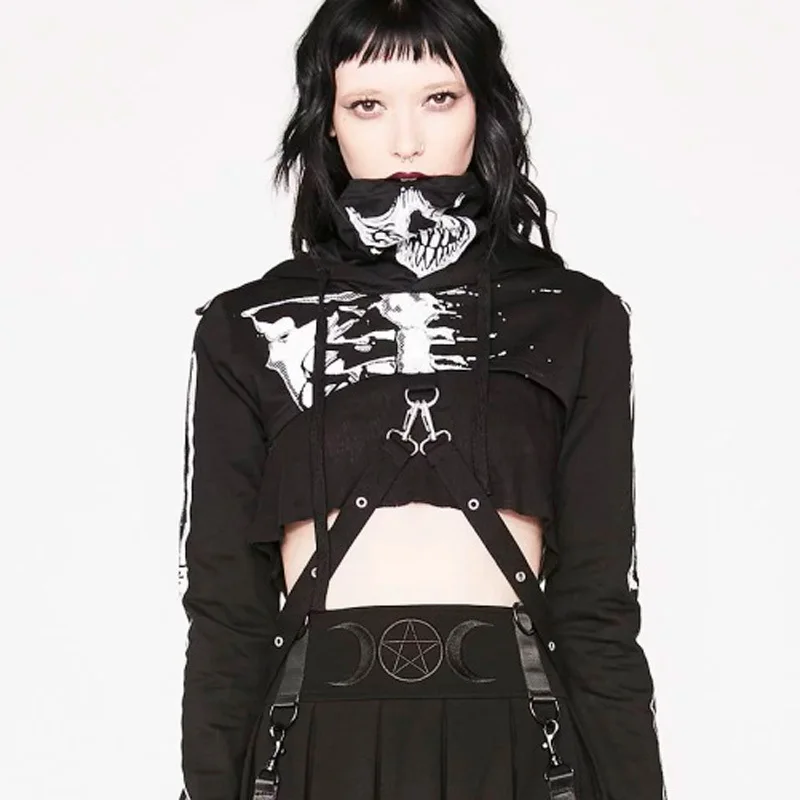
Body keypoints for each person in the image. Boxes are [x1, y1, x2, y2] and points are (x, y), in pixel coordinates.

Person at [177, 1, 668, 799]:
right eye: (368, 104)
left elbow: (598, 607)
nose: (405, 140)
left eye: (439, 98)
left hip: (517, 745)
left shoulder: (574, 315)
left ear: (484, 108)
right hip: (316, 749)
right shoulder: (251, 326)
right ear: (327, 122)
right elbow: (226, 616)